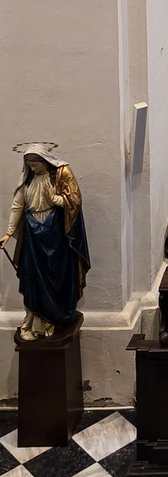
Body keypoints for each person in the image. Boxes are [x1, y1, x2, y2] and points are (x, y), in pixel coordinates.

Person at [1, 145, 90, 339]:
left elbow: (74, 201)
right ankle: (35, 321)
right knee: (32, 276)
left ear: (44, 161)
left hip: (55, 234)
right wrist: (8, 234)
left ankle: (53, 318)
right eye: (29, 166)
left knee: (54, 275)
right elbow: (18, 205)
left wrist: (54, 198)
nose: (32, 169)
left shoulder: (59, 174)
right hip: (33, 236)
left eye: (35, 165)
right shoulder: (28, 180)